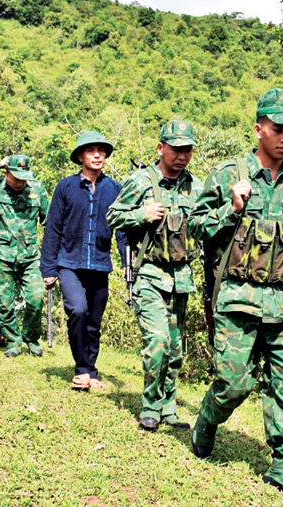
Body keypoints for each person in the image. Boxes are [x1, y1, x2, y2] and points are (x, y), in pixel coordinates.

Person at [187, 88, 283, 502]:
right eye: (278, 128)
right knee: (234, 383)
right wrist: (231, 208)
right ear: (259, 128)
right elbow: (193, 226)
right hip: (238, 299)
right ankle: (207, 419)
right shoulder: (230, 174)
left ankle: (282, 465)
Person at [107, 120, 200, 431]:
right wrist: (140, 215)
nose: (182, 155)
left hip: (181, 276)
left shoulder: (196, 187)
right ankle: (150, 404)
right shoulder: (141, 181)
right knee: (157, 341)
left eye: (187, 149)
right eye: (176, 149)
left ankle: (169, 408)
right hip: (149, 273)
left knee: (175, 348)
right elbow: (112, 216)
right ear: (161, 148)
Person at [41, 131, 127, 391]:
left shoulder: (114, 189)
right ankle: (81, 370)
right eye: (91, 150)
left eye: (101, 150)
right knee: (77, 310)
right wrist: (48, 267)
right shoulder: (65, 187)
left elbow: (122, 229)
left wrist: (127, 263)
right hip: (69, 263)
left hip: (100, 264)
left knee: (94, 321)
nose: (97, 155)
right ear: (80, 156)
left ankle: (91, 370)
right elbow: (53, 228)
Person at [0, 155, 49, 358]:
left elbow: (48, 221)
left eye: (23, 178)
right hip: (2, 255)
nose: (19, 182)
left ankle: (31, 338)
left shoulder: (36, 189)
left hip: (30, 256)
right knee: (5, 303)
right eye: (15, 177)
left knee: (35, 298)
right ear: (6, 173)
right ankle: (12, 341)